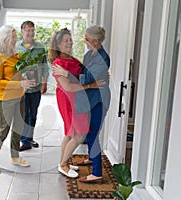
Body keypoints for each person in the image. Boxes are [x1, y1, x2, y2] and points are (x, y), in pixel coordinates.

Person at [53, 25, 110, 183]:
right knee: (79, 133)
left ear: (96, 41)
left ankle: (96, 172)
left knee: (91, 134)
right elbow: (84, 75)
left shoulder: (103, 57)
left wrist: (68, 74)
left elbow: (88, 76)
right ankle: (65, 164)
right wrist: (69, 75)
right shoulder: (88, 55)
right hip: (82, 98)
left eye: (87, 39)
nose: (83, 41)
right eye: (67, 40)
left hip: (98, 99)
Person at [0, 25, 36, 175]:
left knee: (18, 129)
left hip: (19, 97)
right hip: (5, 100)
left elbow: (16, 76)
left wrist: (25, 80)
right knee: (3, 130)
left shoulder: (15, 55)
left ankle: (15, 157)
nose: (16, 40)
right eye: (13, 36)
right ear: (5, 38)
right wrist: (20, 83)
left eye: (15, 36)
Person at [16, 20, 49, 151]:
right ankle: (25, 140)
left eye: (32, 30)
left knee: (33, 114)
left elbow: (45, 66)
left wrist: (45, 82)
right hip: (21, 88)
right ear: (22, 31)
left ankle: (29, 138)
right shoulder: (16, 47)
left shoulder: (40, 47)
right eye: (27, 30)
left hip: (36, 87)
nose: (30, 32)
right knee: (24, 114)